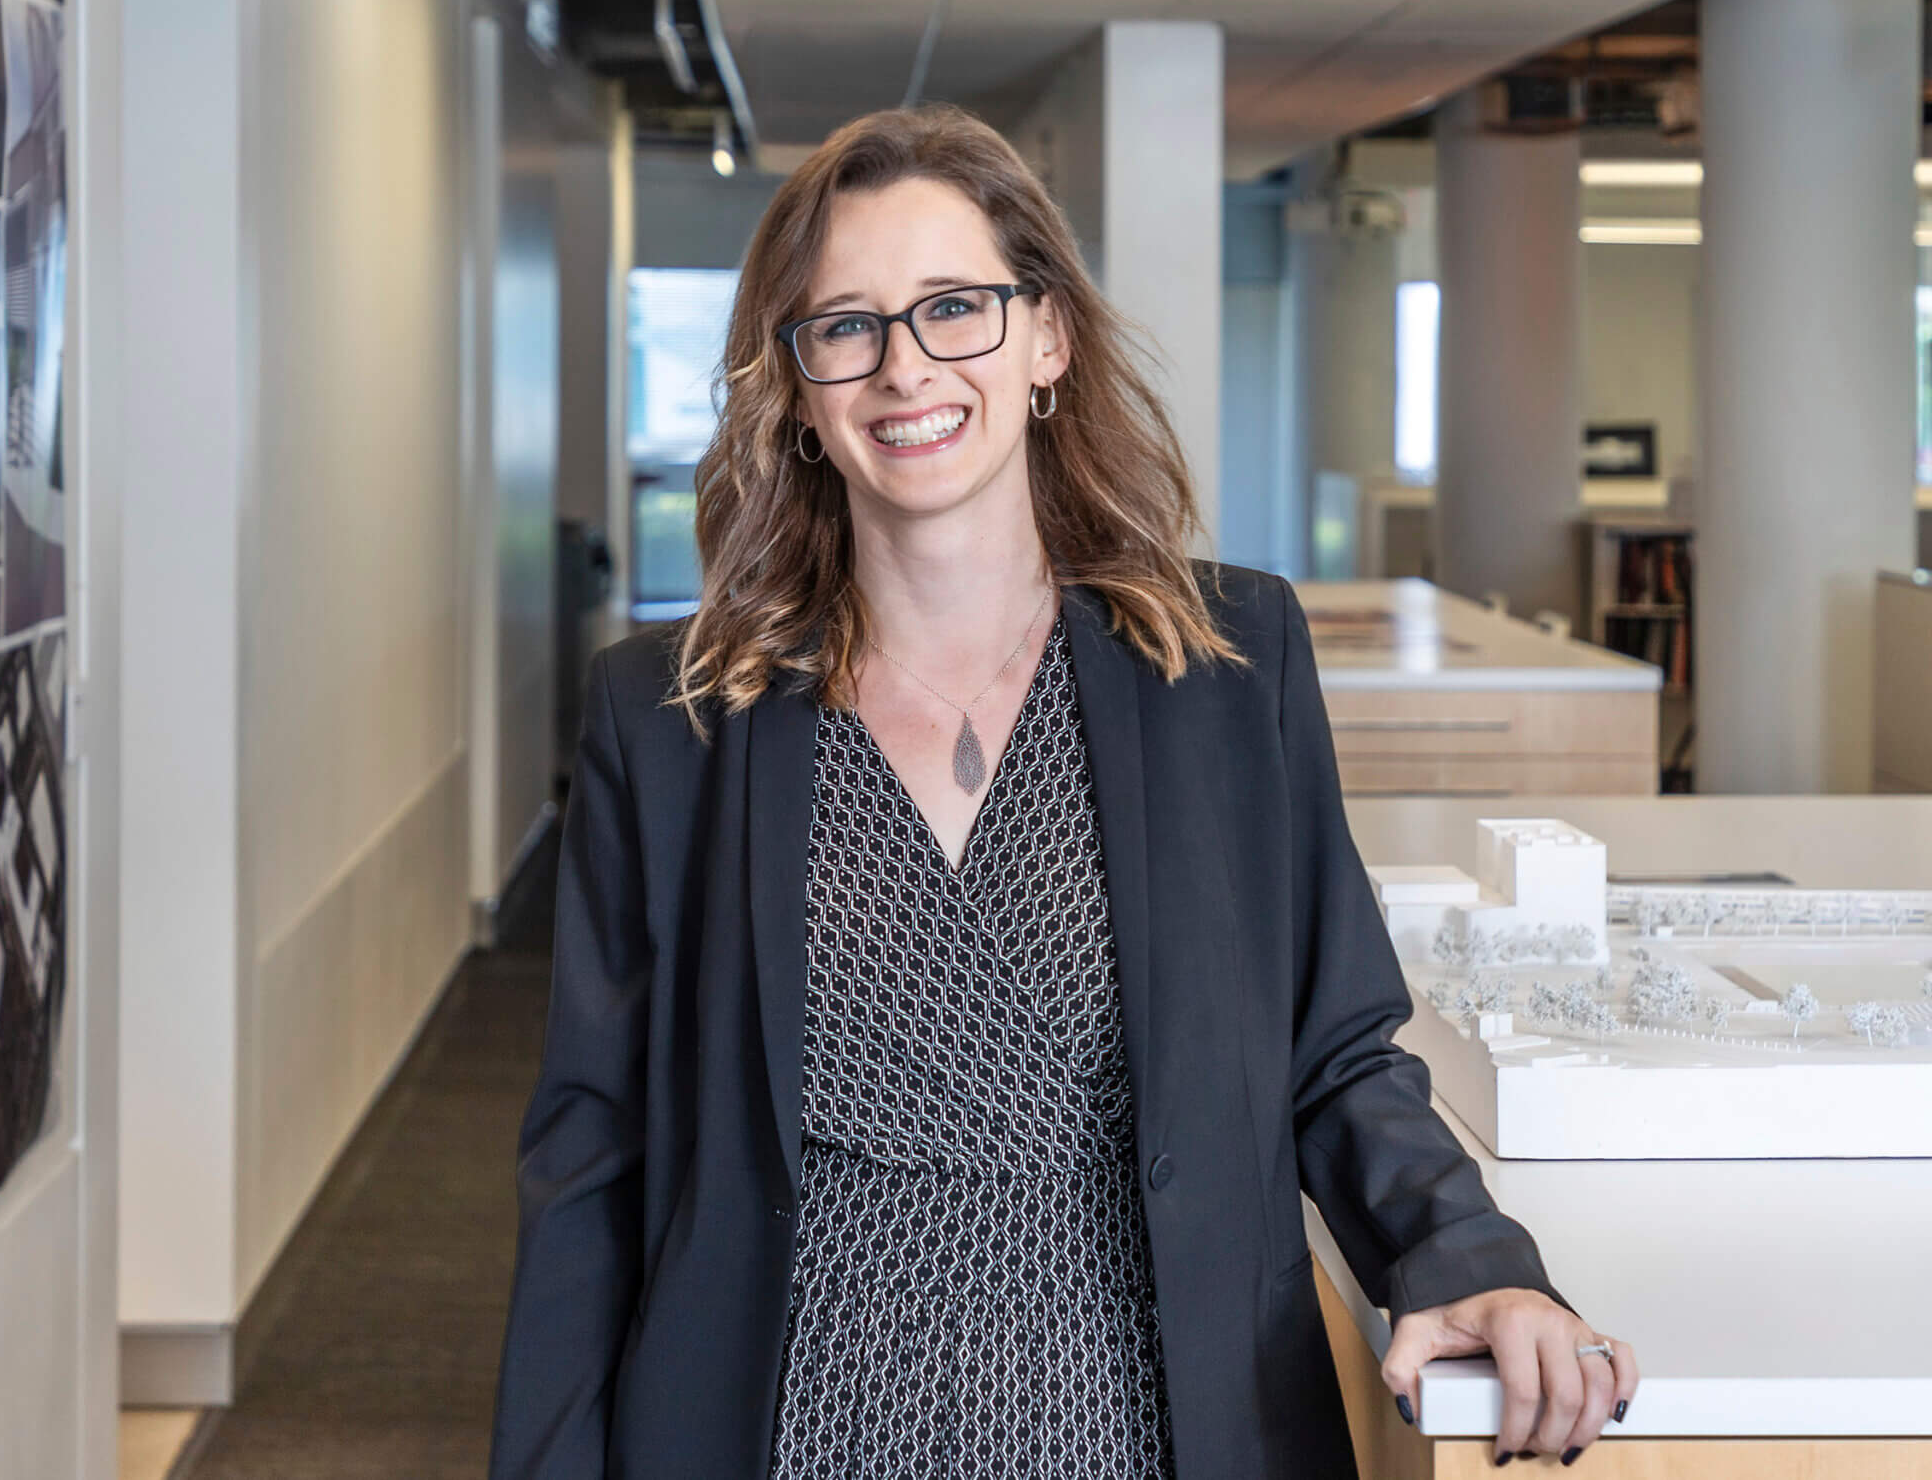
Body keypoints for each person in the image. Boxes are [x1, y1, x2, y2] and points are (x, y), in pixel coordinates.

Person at [490, 106, 1637, 1479]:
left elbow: (1334, 1050)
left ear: (1048, 338)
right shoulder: (671, 719)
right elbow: (594, 1156)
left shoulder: (1225, 666)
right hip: (790, 1427)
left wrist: (1469, 1257)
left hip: (1150, 1423)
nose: (904, 366)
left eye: (954, 307)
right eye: (845, 325)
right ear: (795, 387)